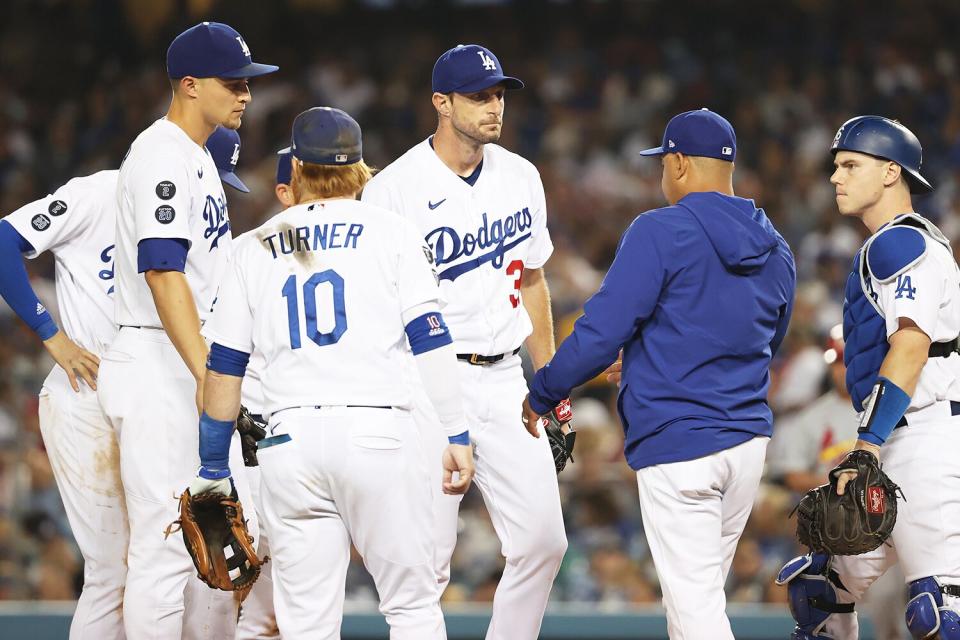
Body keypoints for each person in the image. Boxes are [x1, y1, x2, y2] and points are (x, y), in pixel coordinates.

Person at [189, 106, 476, 640]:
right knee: (412, 608)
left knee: (306, 626)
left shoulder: (251, 247)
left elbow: (224, 365)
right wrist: (456, 431)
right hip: (377, 436)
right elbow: (430, 337)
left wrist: (212, 463)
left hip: (288, 445)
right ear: (360, 168)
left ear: (296, 168)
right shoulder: (393, 231)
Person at [523, 108, 797, 639]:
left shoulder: (660, 229)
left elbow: (600, 333)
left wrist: (544, 390)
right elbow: (763, 340)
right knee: (695, 603)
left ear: (676, 163)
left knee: (696, 617)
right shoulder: (776, 246)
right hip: (745, 445)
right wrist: (656, 354)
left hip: (679, 443)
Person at [0, 125, 251, 638]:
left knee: (176, 563)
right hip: (87, 391)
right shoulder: (98, 192)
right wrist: (51, 335)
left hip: (154, 387)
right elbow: (4, 240)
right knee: (113, 573)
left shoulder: (204, 223)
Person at [361, 43, 568, 640]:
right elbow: (378, 309)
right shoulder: (393, 189)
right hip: (427, 382)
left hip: (505, 379)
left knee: (543, 540)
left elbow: (532, 279)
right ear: (441, 103)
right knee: (426, 559)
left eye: (498, 94)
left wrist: (548, 381)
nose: (493, 106)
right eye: (478, 96)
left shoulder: (521, 175)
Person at [96, 21, 276, 639]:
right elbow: (163, 272)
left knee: (216, 530)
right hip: (157, 356)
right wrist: (208, 373)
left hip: (182, 354)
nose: (246, 94)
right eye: (234, 83)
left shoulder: (197, 156)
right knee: (164, 541)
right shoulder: (161, 155)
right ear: (190, 85)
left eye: (248, 83)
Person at [777, 116, 960, 640]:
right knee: (819, 595)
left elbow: (911, 345)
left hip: (926, 436)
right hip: (898, 437)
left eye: (851, 165)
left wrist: (866, 444)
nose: (836, 177)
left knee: (939, 614)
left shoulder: (902, 244)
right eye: (836, 166)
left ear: (889, 173)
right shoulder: (888, 243)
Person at [234, 148, 292, 640]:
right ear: (285, 192)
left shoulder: (245, 251)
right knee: (254, 609)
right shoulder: (250, 253)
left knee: (276, 614)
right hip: (256, 442)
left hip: (295, 442)